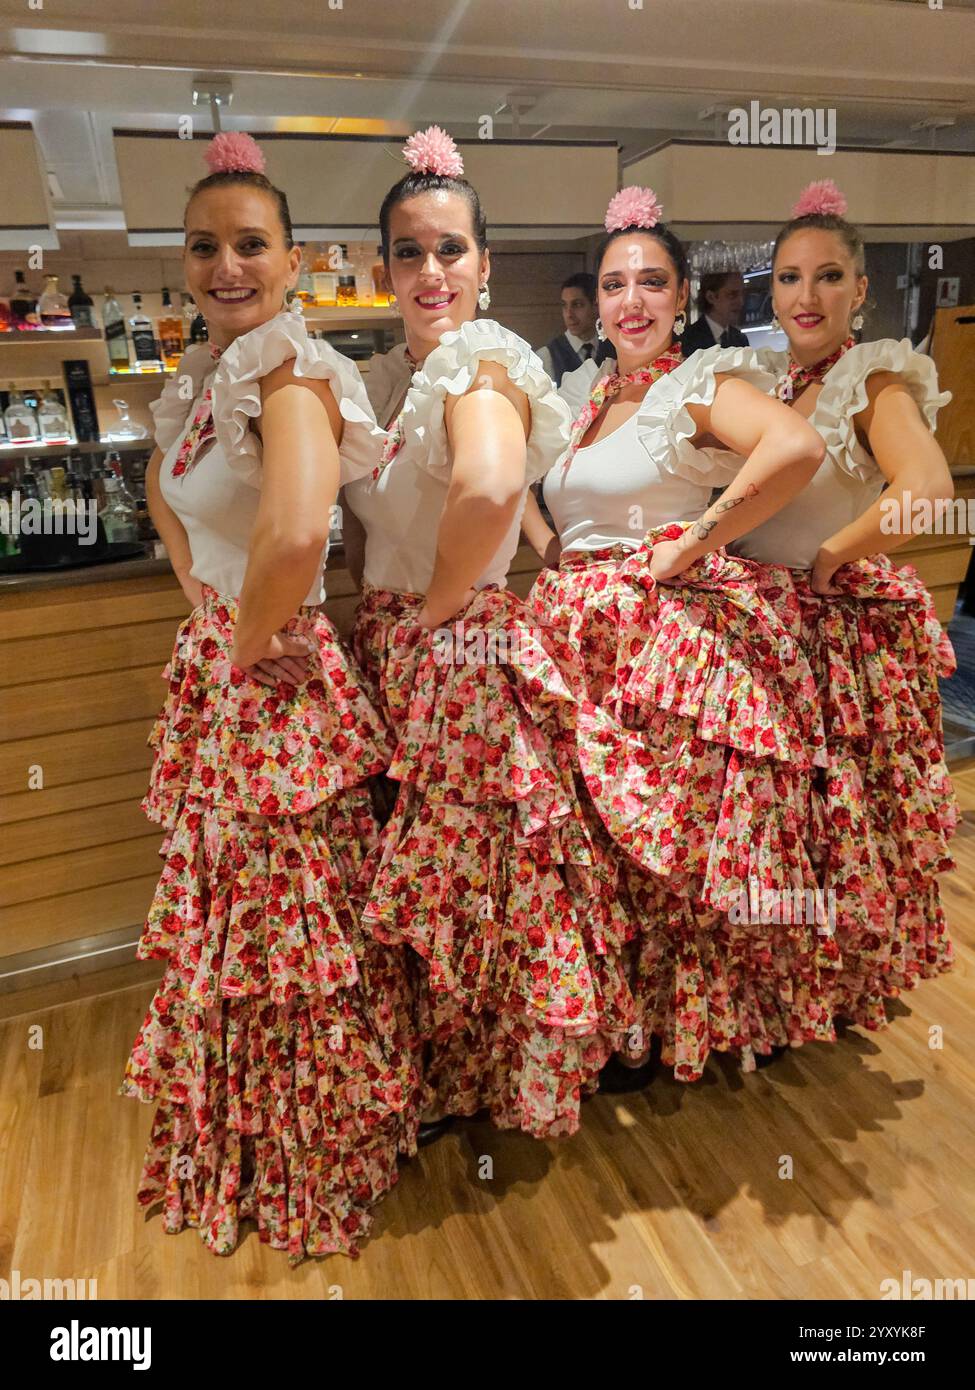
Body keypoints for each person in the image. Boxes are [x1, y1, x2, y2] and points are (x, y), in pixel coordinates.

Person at [119, 131, 418, 1264]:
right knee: (242, 930)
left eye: (250, 245)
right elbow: (172, 497)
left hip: (271, 691)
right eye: (204, 247)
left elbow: (298, 530)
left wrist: (244, 636)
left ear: (295, 261)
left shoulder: (291, 368)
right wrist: (204, 598)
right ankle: (251, 1143)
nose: (226, 266)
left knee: (286, 939)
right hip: (230, 672)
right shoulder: (209, 379)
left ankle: (305, 1157)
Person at [342, 126, 625, 1141]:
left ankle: (484, 1083)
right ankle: (437, 1075)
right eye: (409, 251)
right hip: (398, 653)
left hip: (454, 653)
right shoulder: (385, 377)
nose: (431, 271)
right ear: (382, 268)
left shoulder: (483, 364)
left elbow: (495, 483)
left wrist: (432, 609)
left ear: (485, 263)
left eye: (450, 249)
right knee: (430, 872)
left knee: (472, 877)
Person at [522, 184, 836, 1084]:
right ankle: (626, 1022)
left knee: (665, 840)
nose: (631, 301)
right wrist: (550, 551)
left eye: (652, 282)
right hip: (578, 641)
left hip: (657, 649)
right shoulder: (588, 395)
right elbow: (544, 500)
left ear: (682, 295)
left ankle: (686, 1027)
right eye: (614, 284)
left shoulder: (695, 383)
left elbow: (793, 449)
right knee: (602, 845)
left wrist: (690, 544)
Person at [728, 179, 957, 1028]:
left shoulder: (870, 380)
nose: (806, 295)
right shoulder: (767, 382)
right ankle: (771, 992)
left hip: (822, 638)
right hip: (754, 632)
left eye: (827, 276)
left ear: (858, 289)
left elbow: (927, 487)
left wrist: (833, 554)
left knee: (824, 827)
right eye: (789, 277)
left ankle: (815, 995)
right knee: (771, 829)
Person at [537, 272, 600, 385]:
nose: (569, 314)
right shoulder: (546, 357)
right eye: (564, 305)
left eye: (577, 305)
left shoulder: (614, 349)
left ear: (595, 306)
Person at [680, 270, 749, 354]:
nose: (741, 302)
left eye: (743, 294)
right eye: (732, 294)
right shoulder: (687, 338)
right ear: (711, 297)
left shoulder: (741, 339)